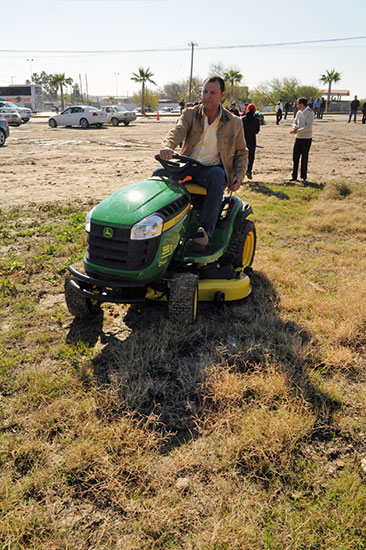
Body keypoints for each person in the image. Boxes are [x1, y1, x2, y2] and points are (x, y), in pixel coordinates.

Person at [156, 76, 247, 250]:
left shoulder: (234, 123)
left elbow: (242, 153)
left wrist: (239, 176)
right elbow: (177, 131)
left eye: (212, 92)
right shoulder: (190, 114)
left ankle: (204, 232)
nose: (207, 96)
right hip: (187, 165)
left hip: (210, 170)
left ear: (222, 95)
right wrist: (167, 147)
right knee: (157, 175)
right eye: (205, 91)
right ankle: (155, 224)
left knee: (217, 175)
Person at [289, 97, 314, 183]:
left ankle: (303, 176)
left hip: (306, 139)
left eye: (297, 104)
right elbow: (294, 122)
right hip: (298, 138)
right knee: (295, 158)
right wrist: (294, 127)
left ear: (302, 104)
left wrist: (297, 131)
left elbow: (308, 127)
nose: (296, 105)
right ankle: (294, 176)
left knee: (304, 158)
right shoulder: (299, 113)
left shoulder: (310, 113)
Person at [242, 103, 260, 180]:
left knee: (242, 157)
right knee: (251, 157)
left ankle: (242, 172)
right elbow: (257, 131)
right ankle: (249, 170)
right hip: (252, 140)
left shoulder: (242, 119)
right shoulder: (256, 120)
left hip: (243, 140)